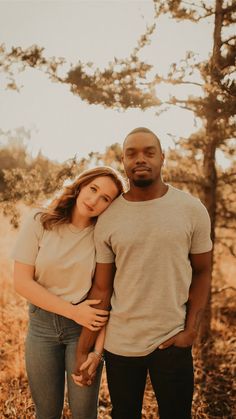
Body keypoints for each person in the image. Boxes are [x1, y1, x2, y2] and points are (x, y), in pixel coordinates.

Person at [73, 128, 213, 419]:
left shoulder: (191, 209)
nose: (140, 159)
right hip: (121, 343)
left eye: (149, 152)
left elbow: (202, 271)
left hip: (172, 339)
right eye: (131, 153)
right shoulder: (109, 217)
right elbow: (102, 289)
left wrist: (190, 330)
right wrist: (82, 349)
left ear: (162, 157)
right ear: (123, 161)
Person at [12, 166, 125, 419]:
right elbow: (21, 282)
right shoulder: (40, 221)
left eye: (105, 198)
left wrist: (97, 352)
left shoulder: (102, 236)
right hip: (42, 328)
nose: (94, 200)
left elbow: (106, 298)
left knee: (85, 413)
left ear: (111, 206)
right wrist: (73, 312)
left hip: (82, 331)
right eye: (93, 189)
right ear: (81, 185)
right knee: (47, 412)